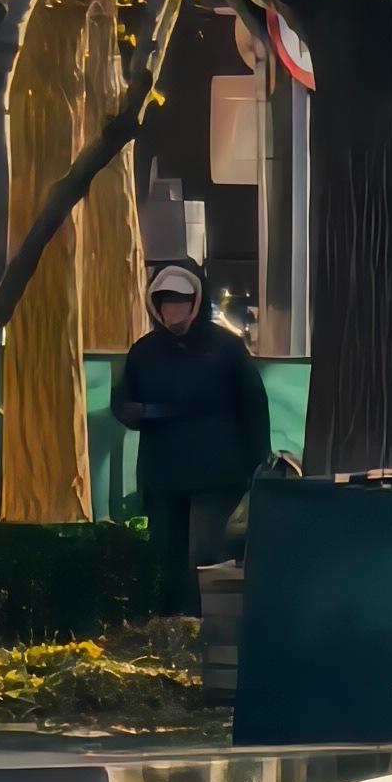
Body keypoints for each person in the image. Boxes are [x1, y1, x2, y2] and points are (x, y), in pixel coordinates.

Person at [113, 258, 272, 621]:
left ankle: (209, 632)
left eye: (181, 299)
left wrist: (254, 463)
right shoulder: (144, 351)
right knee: (166, 555)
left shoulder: (226, 348)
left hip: (217, 474)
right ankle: (170, 631)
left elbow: (253, 406)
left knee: (205, 555)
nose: (173, 308)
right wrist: (130, 411)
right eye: (166, 299)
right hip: (163, 473)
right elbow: (123, 398)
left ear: (197, 299)